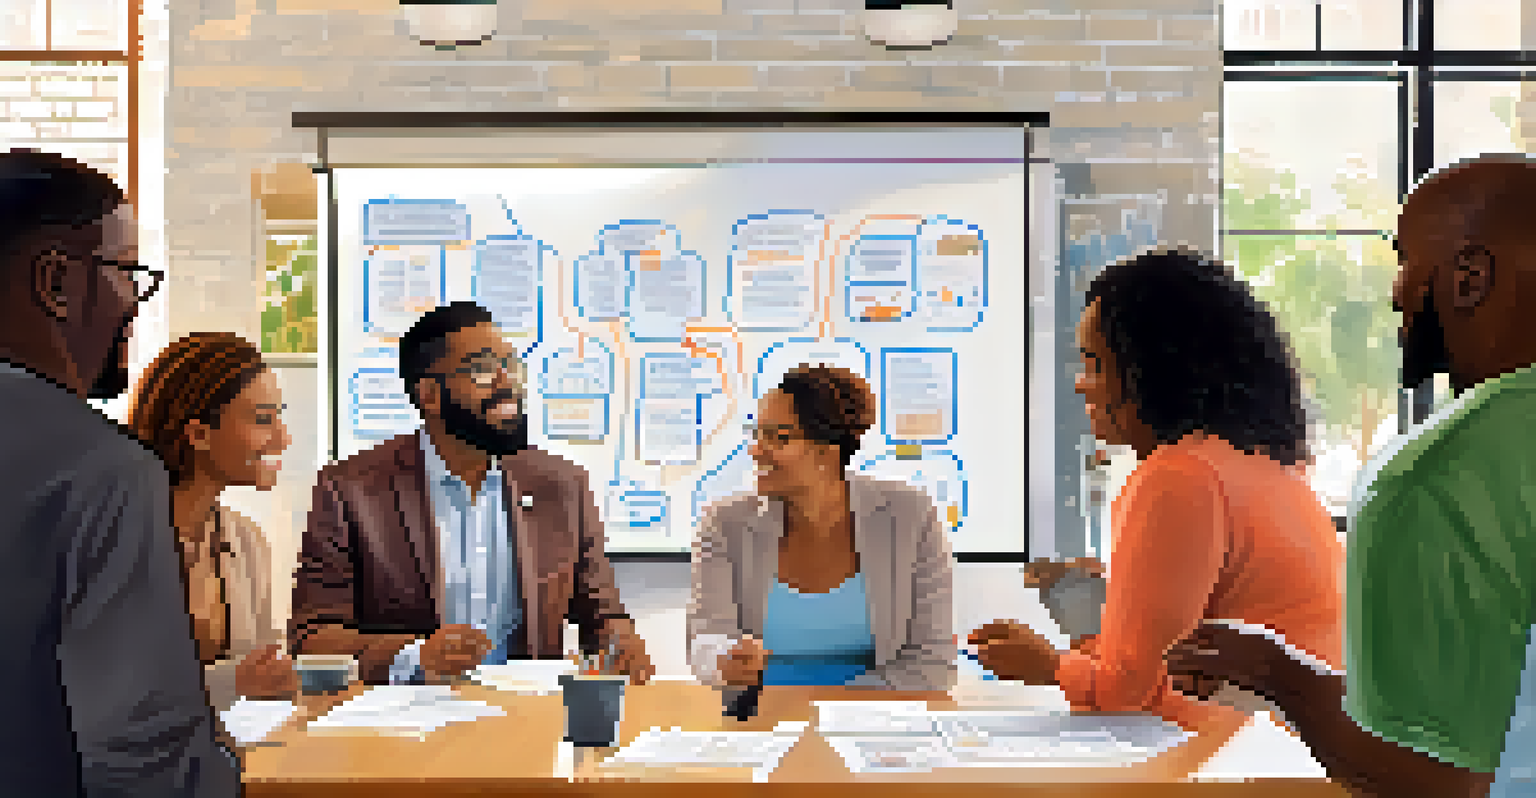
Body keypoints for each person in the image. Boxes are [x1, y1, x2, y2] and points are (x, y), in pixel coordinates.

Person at [1167, 154, 1536, 797]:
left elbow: (1429, 777)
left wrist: (1277, 673)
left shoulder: (1439, 475)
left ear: (1469, 277)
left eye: (1405, 262)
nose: (1395, 294)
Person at [969, 247, 1345, 744]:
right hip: (1294, 750)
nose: (1083, 386)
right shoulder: (1266, 466)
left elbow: (1130, 693)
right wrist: (1100, 611)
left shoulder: (1179, 477)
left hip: (1239, 756)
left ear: (1154, 368)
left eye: (1096, 363)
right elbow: (1160, 668)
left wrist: (1046, 664)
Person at [0, 151, 241, 795]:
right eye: (127, 272)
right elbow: (146, 758)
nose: (134, 300)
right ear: (55, 282)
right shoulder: (96, 469)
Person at [291, 301, 653, 685]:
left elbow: (603, 615)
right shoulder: (351, 490)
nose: (507, 383)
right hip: (404, 720)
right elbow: (312, 638)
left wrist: (621, 641)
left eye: (510, 366)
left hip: (527, 715)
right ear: (429, 394)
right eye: (482, 370)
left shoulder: (563, 486)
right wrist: (416, 655)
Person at [689, 364, 955, 691]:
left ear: (828, 451)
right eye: (756, 433)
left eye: (778, 438)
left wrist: (831, 711)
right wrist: (724, 660)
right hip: (759, 721)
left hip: (877, 720)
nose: (756, 450)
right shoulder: (724, 523)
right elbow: (705, 639)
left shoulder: (910, 515)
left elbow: (933, 661)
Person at [127, 332, 300, 717]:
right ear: (199, 434)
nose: (283, 438)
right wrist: (233, 683)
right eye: (262, 420)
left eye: (279, 416)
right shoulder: (114, 537)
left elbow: (262, 673)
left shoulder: (245, 539)